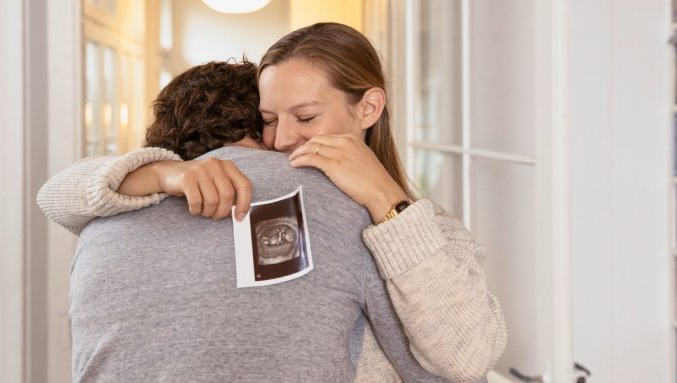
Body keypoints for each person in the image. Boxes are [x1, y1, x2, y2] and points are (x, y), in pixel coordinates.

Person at [39, 23, 506, 382]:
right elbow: (54, 197)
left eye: (305, 116)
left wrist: (386, 199)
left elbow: (463, 357)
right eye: (267, 120)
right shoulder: (135, 195)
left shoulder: (400, 223)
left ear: (368, 108)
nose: (282, 140)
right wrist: (162, 171)